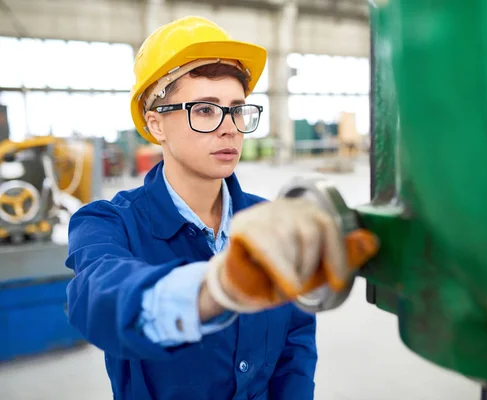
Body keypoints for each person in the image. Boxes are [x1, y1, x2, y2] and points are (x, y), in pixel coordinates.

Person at [64, 15, 378, 400]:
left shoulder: (268, 224)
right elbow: (98, 301)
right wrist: (216, 289)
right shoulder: (108, 223)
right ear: (156, 123)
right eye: (206, 110)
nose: (230, 127)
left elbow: (296, 347)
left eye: (237, 109)